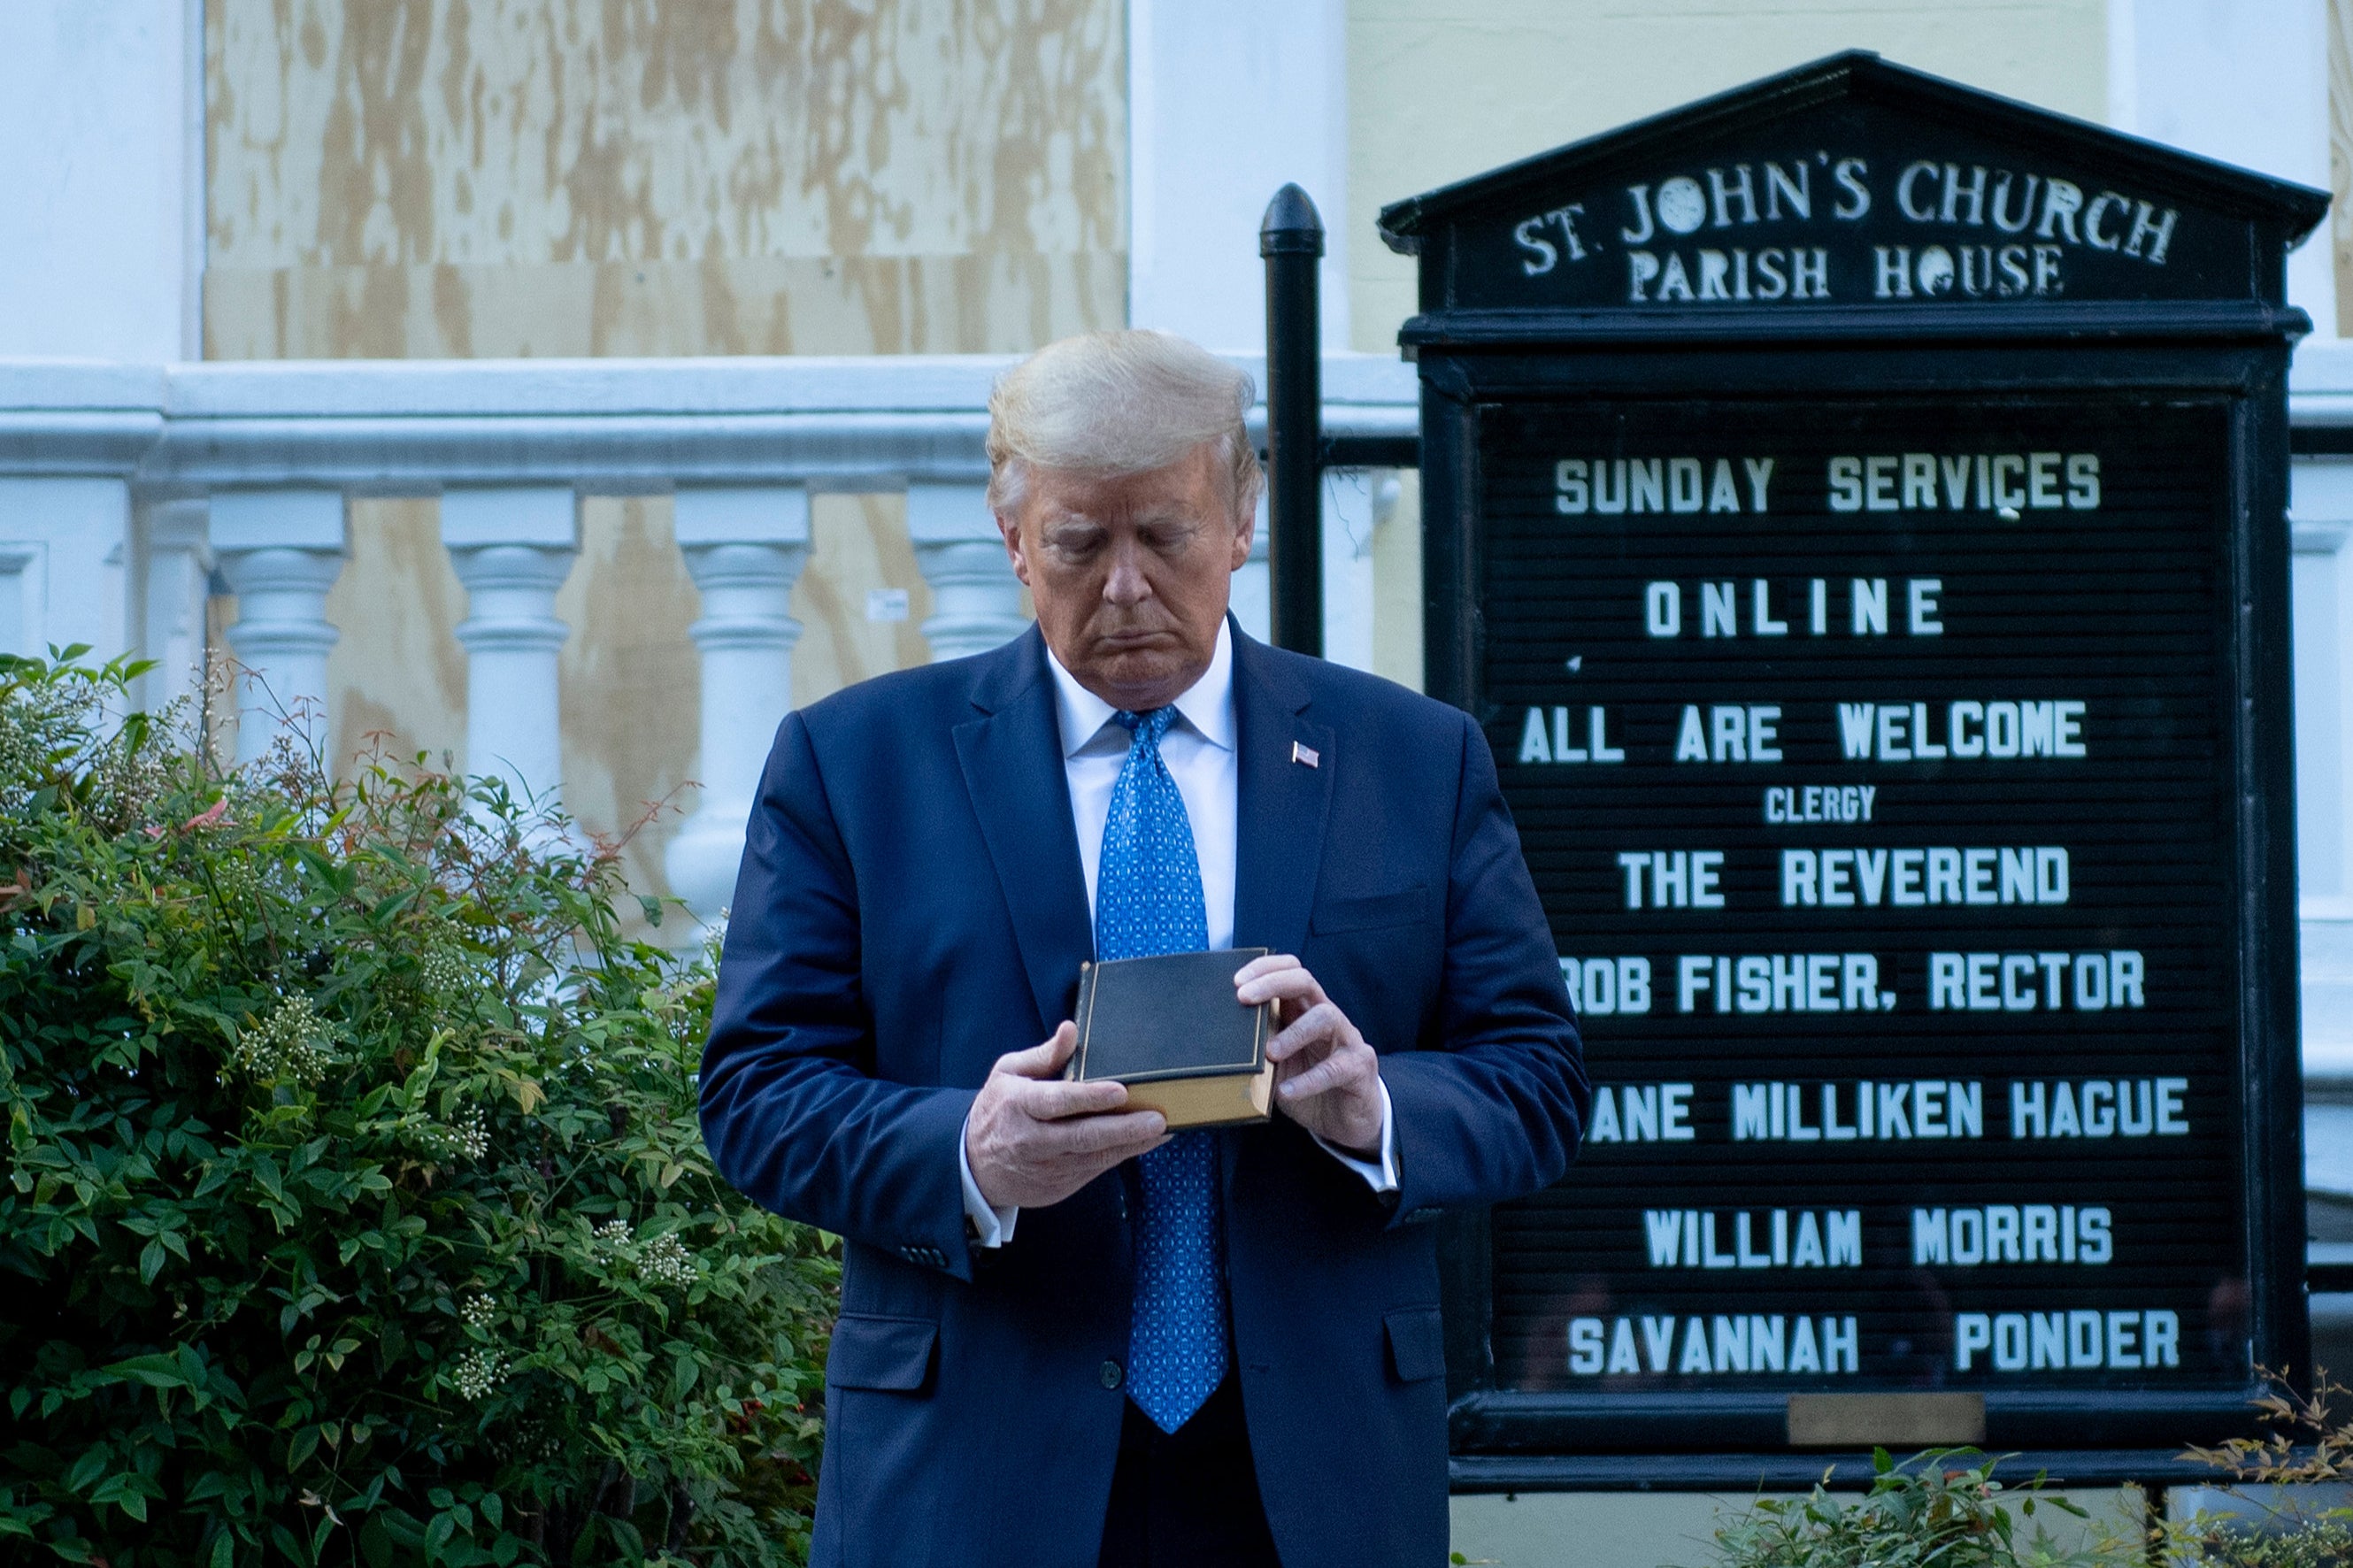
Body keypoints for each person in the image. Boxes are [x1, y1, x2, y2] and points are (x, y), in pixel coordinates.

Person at [698, 328, 1587, 1568]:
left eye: (1164, 535)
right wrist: (969, 1153)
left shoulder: (1412, 760)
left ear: (1240, 521)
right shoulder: (855, 767)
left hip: (1310, 1472)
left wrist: (1371, 1104)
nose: (1124, 586)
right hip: (974, 1465)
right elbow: (754, 1095)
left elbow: (1538, 1080)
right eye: (1078, 543)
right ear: (1015, 544)